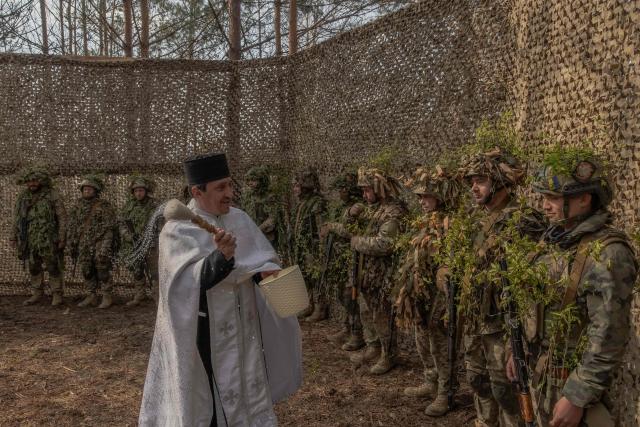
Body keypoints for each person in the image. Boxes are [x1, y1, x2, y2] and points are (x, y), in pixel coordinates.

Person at [139, 153, 302, 427]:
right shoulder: (178, 230)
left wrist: (265, 273)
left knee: (249, 388)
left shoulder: (239, 219)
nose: (230, 193)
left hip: (244, 329)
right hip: (204, 335)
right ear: (196, 191)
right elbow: (184, 286)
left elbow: (259, 261)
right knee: (211, 405)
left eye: (230, 185)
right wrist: (220, 257)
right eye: (221, 188)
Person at [506, 149, 637, 427]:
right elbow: (532, 303)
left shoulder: (607, 253)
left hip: (576, 388)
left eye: (552, 198)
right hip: (540, 374)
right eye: (543, 197)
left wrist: (577, 396)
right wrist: (514, 352)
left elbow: (609, 335)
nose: (544, 206)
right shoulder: (555, 241)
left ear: (583, 199)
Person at [461, 147, 545, 427]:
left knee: (506, 391)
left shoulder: (523, 220)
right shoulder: (477, 220)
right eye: (471, 181)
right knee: (477, 380)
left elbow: (529, 289)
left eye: (480, 181)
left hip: (504, 325)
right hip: (477, 319)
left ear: (499, 180)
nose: (474, 188)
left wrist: (515, 341)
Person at [395, 166, 461, 416]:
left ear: (441, 196)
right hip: (421, 295)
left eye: (427, 196)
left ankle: (446, 392)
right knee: (422, 340)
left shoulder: (451, 224)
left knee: (440, 345)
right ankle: (430, 381)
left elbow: (452, 262)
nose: (422, 201)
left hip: (440, 298)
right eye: (420, 197)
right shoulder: (425, 221)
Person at [349, 166, 407, 375]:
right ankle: (374, 347)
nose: (364, 195)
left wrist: (357, 242)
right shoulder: (372, 208)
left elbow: (386, 244)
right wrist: (350, 213)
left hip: (384, 276)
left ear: (379, 188)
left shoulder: (393, 211)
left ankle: (389, 355)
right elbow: (350, 226)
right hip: (368, 274)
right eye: (362, 191)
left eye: (367, 190)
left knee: (382, 317)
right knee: (368, 313)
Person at [321, 173, 367, 350]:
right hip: (340, 257)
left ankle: (357, 333)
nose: (340, 193)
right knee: (342, 293)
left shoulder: (358, 207)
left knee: (351, 295)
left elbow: (351, 231)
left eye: (343, 189)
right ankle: (347, 327)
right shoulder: (342, 207)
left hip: (353, 258)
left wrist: (332, 226)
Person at [11, 166, 67, 306]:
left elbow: (62, 217)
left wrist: (62, 237)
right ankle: (37, 293)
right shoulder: (24, 196)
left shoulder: (52, 194)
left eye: (35, 181)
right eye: (29, 181)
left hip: (48, 237)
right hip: (29, 238)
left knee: (53, 265)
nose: (32, 184)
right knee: (33, 266)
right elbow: (17, 217)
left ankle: (57, 293)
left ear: (42, 181)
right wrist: (13, 236)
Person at [66, 174, 117, 309]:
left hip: (99, 241)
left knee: (102, 268)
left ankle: (107, 295)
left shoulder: (104, 206)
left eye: (90, 189)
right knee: (86, 269)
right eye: (85, 189)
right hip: (83, 243)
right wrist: (72, 243)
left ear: (95, 190)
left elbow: (109, 227)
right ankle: (91, 295)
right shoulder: (77, 206)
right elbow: (71, 226)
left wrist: (106, 246)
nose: (87, 191)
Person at [291, 168, 328, 321]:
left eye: (297, 186)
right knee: (304, 275)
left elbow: (321, 227)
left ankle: (320, 308)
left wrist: (321, 249)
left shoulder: (317, 202)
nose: (295, 189)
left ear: (305, 187)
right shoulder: (303, 203)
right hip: (303, 246)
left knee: (316, 277)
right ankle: (308, 304)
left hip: (313, 247)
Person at [119, 175, 160, 306]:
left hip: (151, 244)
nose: (138, 193)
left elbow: (161, 224)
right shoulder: (128, 206)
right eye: (136, 191)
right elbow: (121, 224)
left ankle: (158, 297)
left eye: (141, 190)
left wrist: (149, 237)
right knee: (137, 270)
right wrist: (128, 236)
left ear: (146, 191)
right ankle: (140, 295)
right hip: (134, 244)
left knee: (155, 272)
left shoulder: (154, 205)